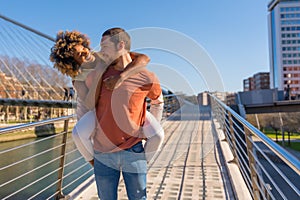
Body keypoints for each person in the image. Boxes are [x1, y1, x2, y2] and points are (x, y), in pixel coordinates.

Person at [50, 30, 164, 168]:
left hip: (121, 105)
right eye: (79, 55)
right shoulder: (78, 79)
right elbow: (91, 104)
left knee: (157, 134)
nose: (86, 53)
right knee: (78, 135)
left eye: (84, 48)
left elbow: (144, 58)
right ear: (73, 63)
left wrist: (122, 76)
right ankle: (96, 164)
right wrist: (100, 72)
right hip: (94, 112)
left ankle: (141, 164)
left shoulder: (103, 55)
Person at [91, 27, 163, 200]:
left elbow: (158, 101)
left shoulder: (146, 77)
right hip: (103, 153)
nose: (101, 51)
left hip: (134, 151)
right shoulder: (100, 74)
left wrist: (147, 128)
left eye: (105, 46)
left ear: (120, 45)